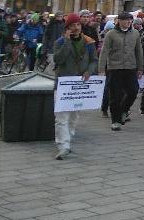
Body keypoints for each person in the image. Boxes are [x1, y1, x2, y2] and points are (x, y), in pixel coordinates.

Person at [53, 13, 97, 160]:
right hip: (64, 83)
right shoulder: (60, 42)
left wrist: (89, 71)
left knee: (73, 116)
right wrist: (66, 41)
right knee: (61, 117)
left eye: (78, 24)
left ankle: (69, 139)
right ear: (67, 28)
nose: (76, 27)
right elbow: (58, 59)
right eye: (72, 25)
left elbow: (93, 61)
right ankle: (63, 145)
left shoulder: (89, 41)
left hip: (79, 85)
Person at [99, 12, 144, 131]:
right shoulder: (111, 34)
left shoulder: (135, 33)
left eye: (130, 20)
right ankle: (115, 120)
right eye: (126, 20)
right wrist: (101, 69)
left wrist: (140, 68)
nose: (129, 22)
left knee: (133, 91)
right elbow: (104, 52)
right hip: (115, 68)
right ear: (119, 21)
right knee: (115, 95)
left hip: (130, 67)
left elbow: (139, 51)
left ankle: (124, 110)